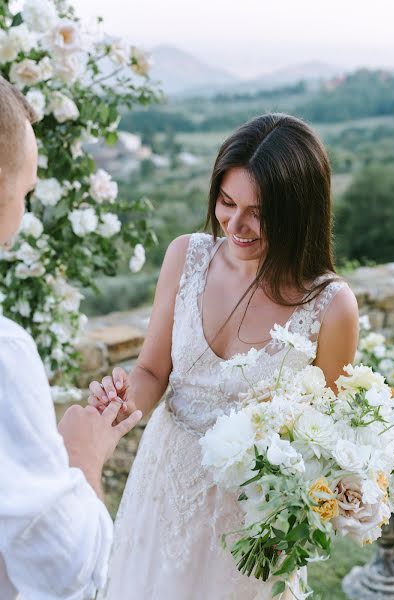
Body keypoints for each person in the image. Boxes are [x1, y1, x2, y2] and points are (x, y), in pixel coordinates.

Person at [89, 113, 359, 599]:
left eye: (259, 211)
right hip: (164, 482)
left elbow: (326, 438)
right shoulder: (185, 256)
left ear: (299, 209)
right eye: (227, 202)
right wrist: (120, 405)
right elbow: (152, 370)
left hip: (251, 518)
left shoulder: (331, 306)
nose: (236, 224)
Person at [0, 76, 143, 599]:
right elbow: (66, 570)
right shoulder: (5, 353)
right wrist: (83, 456)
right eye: (25, 192)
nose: (23, 213)